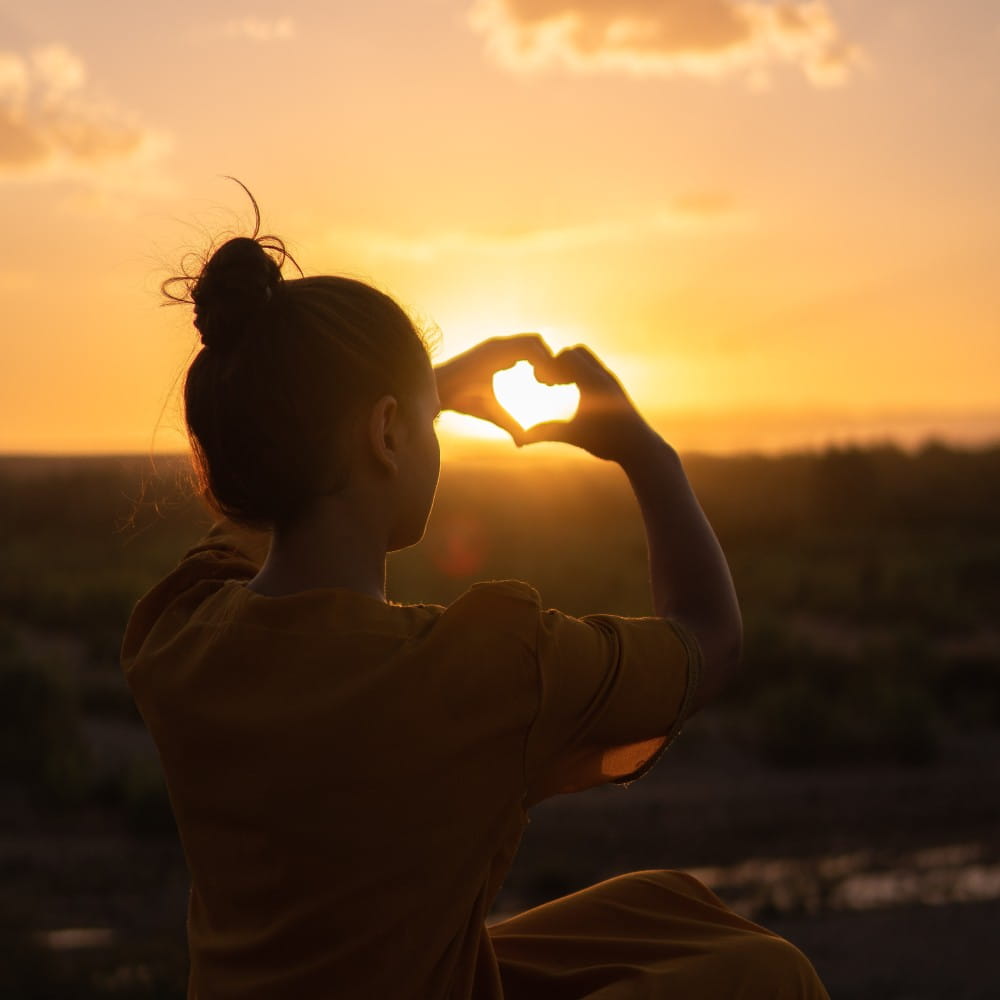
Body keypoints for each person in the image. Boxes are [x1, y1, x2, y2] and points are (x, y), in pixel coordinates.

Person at [122, 200, 829, 999]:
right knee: (767, 975)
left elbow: (269, 514)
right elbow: (712, 640)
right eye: (428, 422)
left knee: (663, 910)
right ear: (387, 435)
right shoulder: (482, 670)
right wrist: (646, 450)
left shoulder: (179, 633)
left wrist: (420, 393)